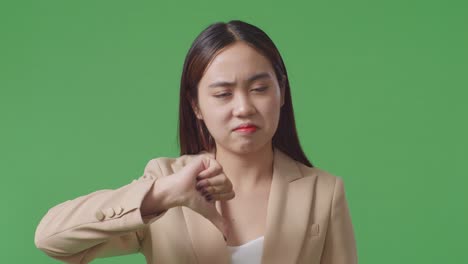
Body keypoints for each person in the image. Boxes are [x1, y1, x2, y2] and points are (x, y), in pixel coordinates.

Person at [34, 20, 357, 264]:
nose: (243, 108)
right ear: (196, 106)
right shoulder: (164, 182)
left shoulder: (323, 192)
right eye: (222, 94)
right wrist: (164, 194)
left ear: (282, 93)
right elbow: (51, 240)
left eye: (259, 88)